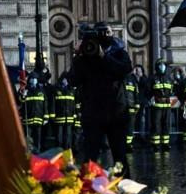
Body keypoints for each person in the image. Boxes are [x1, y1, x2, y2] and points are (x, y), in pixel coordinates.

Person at [68, 22, 132, 176]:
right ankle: (87, 191)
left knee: (120, 157)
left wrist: (104, 57)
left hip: (116, 112)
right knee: (90, 157)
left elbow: (124, 69)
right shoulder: (85, 56)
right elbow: (73, 80)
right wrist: (78, 58)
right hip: (93, 113)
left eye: (106, 32)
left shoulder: (119, 53)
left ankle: (125, 192)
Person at [19, 72, 48, 153]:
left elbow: (45, 105)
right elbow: (21, 102)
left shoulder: (41, 91)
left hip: (38, 120)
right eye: (32, 79)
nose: (33, 81)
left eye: (34, 79)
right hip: (28, 120)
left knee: (38, 139)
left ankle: (37, 154)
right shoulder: (26, 91)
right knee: (28, 139)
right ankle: (28, 154)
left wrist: (45, 117)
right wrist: (22, 95)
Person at [149, 59, 174, 150]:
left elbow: (172, 91)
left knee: (166, 125)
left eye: (163, 65)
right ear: (157, 67)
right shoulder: (153, 78)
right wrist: (151, 98)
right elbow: (148, 91)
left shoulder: (169, 79)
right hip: (157, 106)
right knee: (156, 125)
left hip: (166, 106)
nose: (162, 67)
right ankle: (155, 144)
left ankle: (165, 144)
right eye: (160, 65)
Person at [53, 72, 76, 149]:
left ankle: (67, 153)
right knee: (59, 137)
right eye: (64, 79)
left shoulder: (72, 90)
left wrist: (74, 115)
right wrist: (53, 115)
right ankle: (59, 152)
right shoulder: (57, 90)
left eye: (66, 79)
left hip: (69, 118)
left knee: (68, 138)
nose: (65, 81)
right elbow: (53, 104)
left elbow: (74, 105)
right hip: (59, 118)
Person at [133, 64, 150, 143]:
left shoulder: (144, 79)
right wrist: (135, 76)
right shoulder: (132, 78)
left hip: (143, 102)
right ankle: (136, 136)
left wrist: (141, 77)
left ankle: (145, 136)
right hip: (134, 103)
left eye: (139, 70)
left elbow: (147, 88)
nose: (137, 72)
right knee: (136, 120)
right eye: (136, 70)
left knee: (144, 120)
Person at [124, 71, 140, 151]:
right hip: (121, 108)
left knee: (130, 127)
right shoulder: (117, 77)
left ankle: (128, 144)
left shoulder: (132, 79)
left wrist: (137, 104)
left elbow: (136, 93)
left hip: (131, 107)